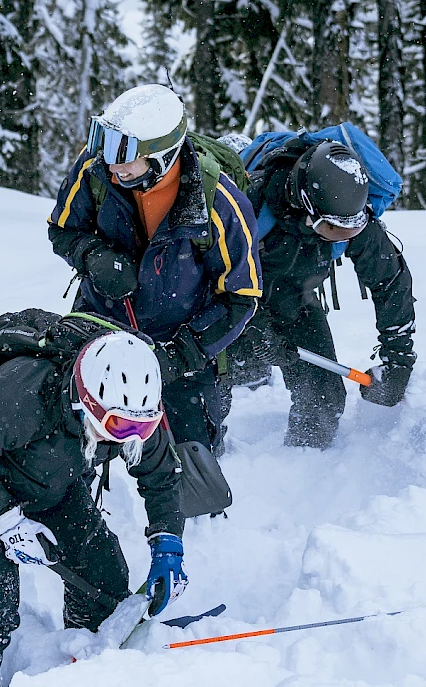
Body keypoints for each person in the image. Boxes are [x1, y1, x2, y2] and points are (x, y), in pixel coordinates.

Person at [0, 325, 187, 687]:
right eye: (117, 424)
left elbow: (161, 475)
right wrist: (8, 524)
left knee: (103, 575)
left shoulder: (134, 408)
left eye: (141, 428)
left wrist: (168, 541)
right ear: (87, 401)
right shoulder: (20, 395)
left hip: (52, 480)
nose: (129, 437)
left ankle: (82, 665)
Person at [47, 84, 262, 465]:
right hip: (101, 321)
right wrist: (93, 256)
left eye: (125, 155)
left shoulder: (220, 204)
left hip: (181, 342)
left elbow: (241, 296)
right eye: (107, 147)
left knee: (191, 452)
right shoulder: (95, 169)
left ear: (162, 158)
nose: (113, 165)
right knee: (71, 434)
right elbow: (62, 228)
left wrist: (180, 356)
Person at [222, 139, 416, 448]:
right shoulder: (247, 204)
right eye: (331, 230)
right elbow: (213, 279)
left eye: (349, 231)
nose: (341, 237)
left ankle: (307, 464)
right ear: (304, 205)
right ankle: (211, 467)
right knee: (207, 395)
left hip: (297, 303)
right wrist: (257, 331)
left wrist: (399, 358)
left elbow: (390, 281)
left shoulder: (349, 211)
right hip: (234, 306)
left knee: (325, 398)